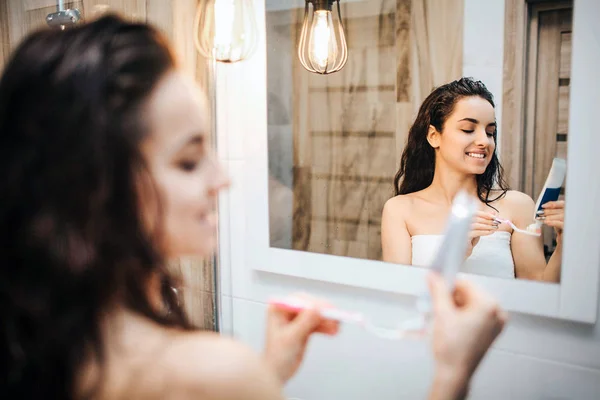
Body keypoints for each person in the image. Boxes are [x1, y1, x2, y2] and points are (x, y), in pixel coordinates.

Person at [0, 15, 506, 399]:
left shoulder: (45, 343)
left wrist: (269, 371)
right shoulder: (207, 371)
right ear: (98, 185)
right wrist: (453, 373)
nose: (222, 177)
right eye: (189, 159)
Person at [382, 78, 564, 282]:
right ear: (434, 136)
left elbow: (538, 297)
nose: (484, 142)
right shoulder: (400, 210)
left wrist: (564, 244)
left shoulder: (517, 206)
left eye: (490, 132)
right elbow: (398, 295)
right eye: (468, 129)